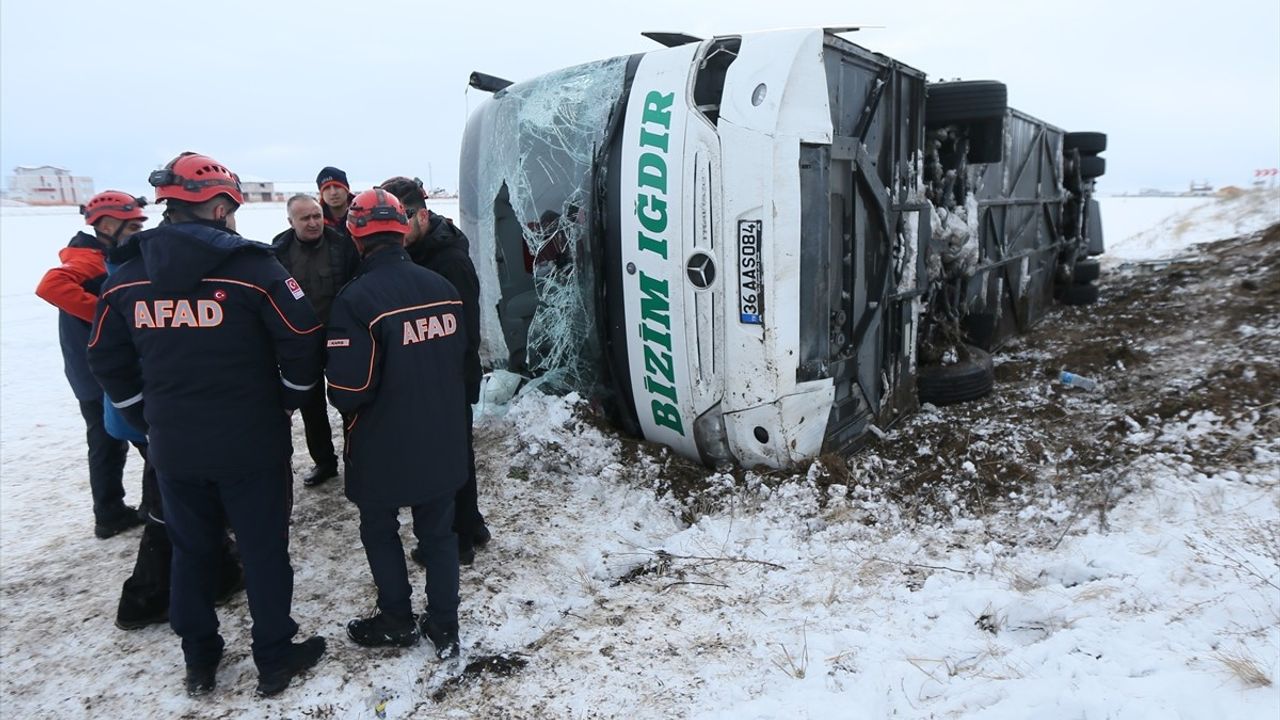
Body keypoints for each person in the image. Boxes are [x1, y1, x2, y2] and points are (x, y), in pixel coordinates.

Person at [87, 152, 326, 698]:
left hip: (174, 447)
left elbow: (105, 357)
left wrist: (142, 417)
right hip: (251, 443)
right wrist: (287, 400)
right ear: (219, 207)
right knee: (264, 551)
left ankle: (200, 659)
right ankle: (273, 655)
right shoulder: (255, 268)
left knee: (192, 551)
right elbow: (302, 339)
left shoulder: (126, 276)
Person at [325, 189, 467, 659]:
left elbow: (350, 390)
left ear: (356, 236)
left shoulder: (356, 299)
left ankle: (397, 618)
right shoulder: (442, 288)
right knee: (439, 535)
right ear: (402, 230)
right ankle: (445, 625)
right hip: (442, 435)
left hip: (382, 442)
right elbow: (460, 360)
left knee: (379, 529)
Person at [379, 176, 489, 566]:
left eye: (401, 218)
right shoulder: (419, 251)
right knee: (455, 453)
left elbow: (466, 330)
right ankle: (471, 525)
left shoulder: (449, 260)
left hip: (451, 375)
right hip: (440, 374)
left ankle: (458, 541)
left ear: (422, 215)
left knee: (448, 458)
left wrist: (447, 377)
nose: (394, 228)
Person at [35, 191, 148, 539]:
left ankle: (111, 511)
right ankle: (149, 507)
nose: (138, 232)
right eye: (132, 226)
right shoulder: (89, 258)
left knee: (109, 443)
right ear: (108, 225)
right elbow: (50, 285)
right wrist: (108, 313)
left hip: (91, 370)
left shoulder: (101, 254)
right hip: (99, 373)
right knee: (146, 439)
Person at [271, 195, 358, 487]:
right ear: (290, 222)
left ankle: (356, 458)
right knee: (311, 406)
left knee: (350, 400)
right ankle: (324, 462)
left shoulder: (341, 244)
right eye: (305, 218)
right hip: (300, 342)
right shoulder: (279, 250)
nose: (313, 223)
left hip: (339, 337)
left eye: (316, 216)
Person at [316, 166, 353, 238]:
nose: (333, 192)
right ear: (321, 194)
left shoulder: (364, 212)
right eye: (327, 188)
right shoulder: (315, 220)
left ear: (347, 189)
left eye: (337, 186)